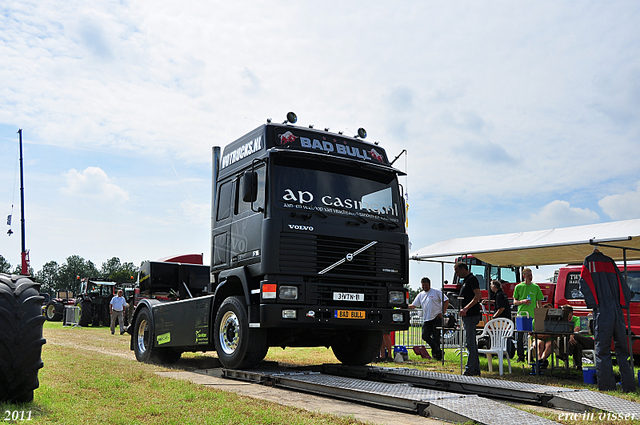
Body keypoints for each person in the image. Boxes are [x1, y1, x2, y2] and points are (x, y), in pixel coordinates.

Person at [580, 249, 635, 392]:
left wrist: (593, 303)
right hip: (617, 309)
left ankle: (607, 387)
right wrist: (625, 301)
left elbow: (584, 282)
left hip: (602, 309)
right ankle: (629, 386)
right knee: (623, 350)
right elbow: (622, 284)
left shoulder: (589, 261)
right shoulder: (610, 261)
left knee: (602, 350)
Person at [409, 277, 449, 360]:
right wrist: (404, 306)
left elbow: (446, 300)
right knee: (425, 336)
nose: (424, 287)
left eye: (425, 285)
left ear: (429, 284)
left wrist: (443, 311)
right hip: (427, 319)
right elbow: (414, 305)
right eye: (423, 285)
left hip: (436, 317)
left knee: (436, 337)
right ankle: (438, 350)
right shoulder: (421, 294)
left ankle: (436, 355)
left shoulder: (436, 292)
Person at [454, 262, 482, 376]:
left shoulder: (472, 279)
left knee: (470, 342)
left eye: (457, 271)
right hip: (467, 315)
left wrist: (466, 308)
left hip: (471, 315)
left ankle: (470, 369)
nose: (456, 274)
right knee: (471, 343)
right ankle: (475, 369)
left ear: (463, 269)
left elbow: (478, 296)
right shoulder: (466, 280)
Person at [512, 268, 544, 363]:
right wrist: (522, 301)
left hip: (533, 315)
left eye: (531, 275)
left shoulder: (536, 287)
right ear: (524, 276)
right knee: (520, 336)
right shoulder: (518, 287)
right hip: (521, 315)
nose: (531, 277)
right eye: (528, 275)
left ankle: (530, 355)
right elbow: (515, 301)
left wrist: (540, 314)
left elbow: (539, 302)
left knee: (532, 336)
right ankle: (520, 355)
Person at [557, 305, 594, 370]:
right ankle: (578, 366)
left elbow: (576, 329)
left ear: (571, 313)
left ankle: (567, 353)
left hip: (589, 340)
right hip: (578, 342)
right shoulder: (563, 321)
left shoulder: (577, 319)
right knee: (576, 344)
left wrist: (571, 336)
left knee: (576, 337)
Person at [490, 280, 514, 356]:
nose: (490, 286)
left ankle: (506, 352)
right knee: (507, 335)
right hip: (507, 318)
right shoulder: (502, 294)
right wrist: (490, 301)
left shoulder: (498, 295)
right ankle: (508, 352)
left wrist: (494, 316)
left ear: (494, 286)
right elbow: (500, 303)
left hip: (502, 319)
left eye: (491, 285)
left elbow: (501, 308)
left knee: (503, 336)